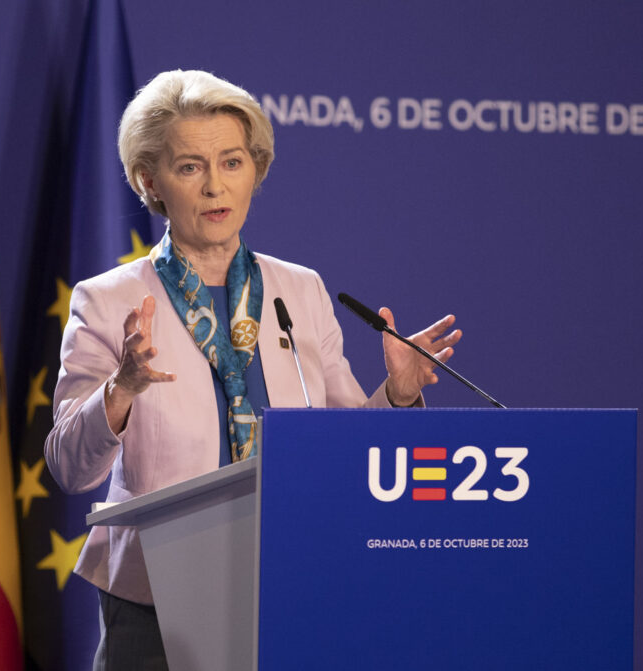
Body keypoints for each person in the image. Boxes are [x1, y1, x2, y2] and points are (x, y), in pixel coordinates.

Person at [44, 70, 461, 670]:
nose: (215, 185)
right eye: (190, 166)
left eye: (232, 162)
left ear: (255, 171)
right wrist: (122, 388)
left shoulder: (299, 289)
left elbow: (342, 445)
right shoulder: (107, 299)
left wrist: (395, 396)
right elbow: (69, 466)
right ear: (150, 182)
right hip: (156, 593)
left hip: (289, 576)